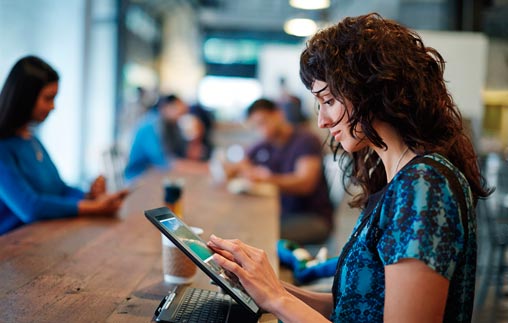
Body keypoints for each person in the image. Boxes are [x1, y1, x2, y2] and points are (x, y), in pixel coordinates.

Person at [207, 13, 491, 322]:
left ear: (372, 91)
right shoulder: (404, 179)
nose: (322, 120)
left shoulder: (423, 185)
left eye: (328, 100)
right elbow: (355, 309)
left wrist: (276, 298)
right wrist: (267, 288)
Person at [0, 56, 128, 235]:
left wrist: (89, 195)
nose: (53, 107)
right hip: (12, 250)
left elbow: (59, 189)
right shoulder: (3, 148)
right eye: (48, 98)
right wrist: (93, 207)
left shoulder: (31, 138)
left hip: (42, 239)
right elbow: (30, 208)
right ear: (25, 98)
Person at [226, 98, 334, 245]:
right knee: (239, 223)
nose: (261, 129)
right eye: (255, 126)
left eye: (263, 122)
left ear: (278, 114)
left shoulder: (306, 140)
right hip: (280, 213)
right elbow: (238, 165)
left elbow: (305, 184)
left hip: (312, 218)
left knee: (255, 233)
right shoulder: (265, 143)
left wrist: (267, 179)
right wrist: (246, 170)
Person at [124, 94, 212, 180]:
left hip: (155, 176)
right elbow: (165, 163)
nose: (181, 115)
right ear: (165, 107)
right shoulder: (152, 126)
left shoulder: (170, 124)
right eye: (177, 109)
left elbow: (179, 154)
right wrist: (204, 168)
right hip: (138, 178)